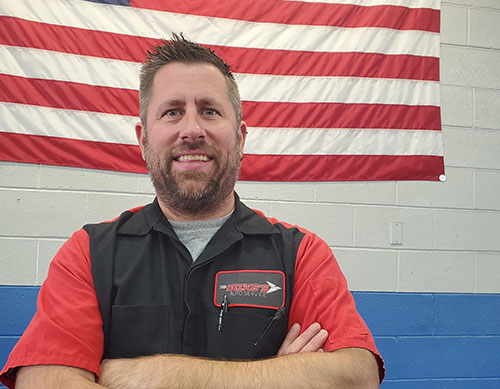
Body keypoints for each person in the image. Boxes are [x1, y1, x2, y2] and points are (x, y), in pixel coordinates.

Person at [0, 34, 384, 388]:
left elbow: (355, 375)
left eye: (210, 111)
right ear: (143, 138)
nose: (191, 130)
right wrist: (277, 377)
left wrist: (151, 375)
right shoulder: (89, 252)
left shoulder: (300, 254)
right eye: (171, 112)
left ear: (240, 136)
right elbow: (43, 379)